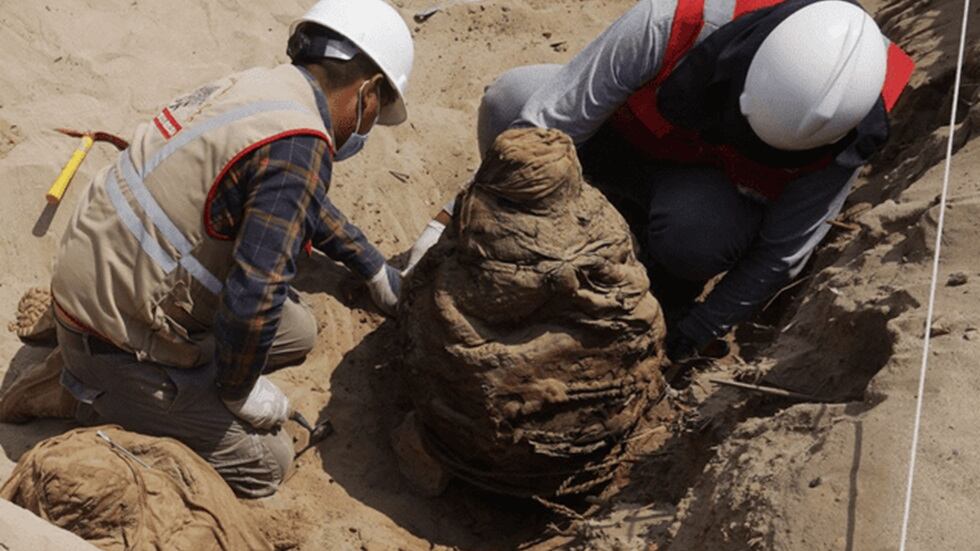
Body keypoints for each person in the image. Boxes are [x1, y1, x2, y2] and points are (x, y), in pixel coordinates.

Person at [410, 0, 914, 364]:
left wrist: (688, 336)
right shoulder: (674, 23)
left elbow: (781, 255)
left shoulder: (848, 129)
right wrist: (456, 218)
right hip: (615, 138)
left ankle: (663, 284)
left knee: (699, 238)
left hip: (696, 192)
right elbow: (544, 123)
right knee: (509, 100)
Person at [49, 0, 413, 498]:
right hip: (108, 339)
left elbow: (289, 197)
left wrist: (370, 265)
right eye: (377, 110)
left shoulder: (264, 89)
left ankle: (171, 380)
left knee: (296, 332)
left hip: (104, 273)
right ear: (368, 90)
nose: (369, 125)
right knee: (268, 462)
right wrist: (239, 391)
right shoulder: (300, 145)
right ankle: (87, 395)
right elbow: (254, 293)